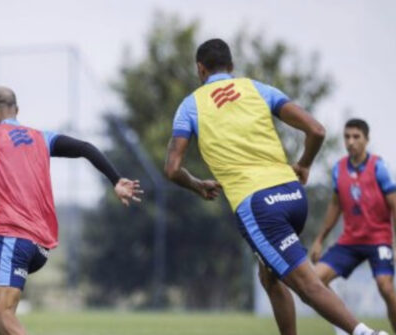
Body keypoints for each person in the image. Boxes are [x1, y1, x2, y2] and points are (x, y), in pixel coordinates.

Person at [163, 38, 388, 335]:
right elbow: (317, 130)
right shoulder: (258, 89)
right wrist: (305, 164)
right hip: (294, 197)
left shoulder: (191, 105)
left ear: (200, 69)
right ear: (231, 67)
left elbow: (172, 168)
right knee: (269, 276)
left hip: (258, 205)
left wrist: (197, 185)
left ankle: (364, 333)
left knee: (306, 285)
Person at [0, 86, 142, 335]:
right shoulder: (41, 137)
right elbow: (85, 148)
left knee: (0, 313)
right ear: (16, 110)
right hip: (40, 246)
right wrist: (116, 180)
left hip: (14, 240)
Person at [311, 118, 396, 332]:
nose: (351, 142)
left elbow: (394, 205)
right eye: (347, 137)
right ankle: (346, 328)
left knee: (385, 287)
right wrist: (319, 239)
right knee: (315, 280)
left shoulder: (378, 167)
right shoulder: (339, 169)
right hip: (350, 240)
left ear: (366, 140)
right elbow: (335, 206)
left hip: (379, 239)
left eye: (356, 137)